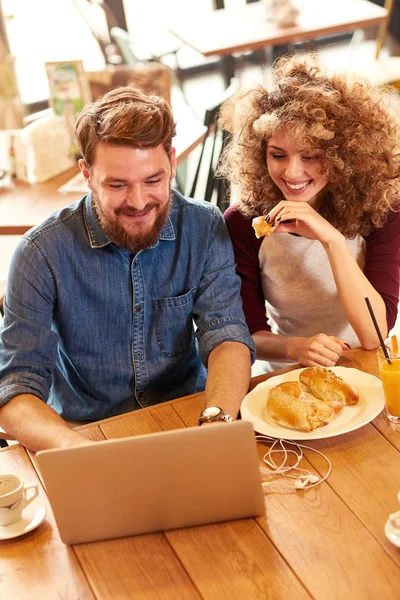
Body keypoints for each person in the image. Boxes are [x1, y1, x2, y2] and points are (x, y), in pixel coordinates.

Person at [0, 87, 254, 452]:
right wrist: (82, 453)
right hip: (82, 431)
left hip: (187, 415)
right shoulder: (39, 254)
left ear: (171, 160)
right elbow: (16, 390)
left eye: (153, 180)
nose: (138, 202)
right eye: (117, 185)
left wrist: (218, 422)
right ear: (86, 174)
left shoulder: (203, 227)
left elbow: (227, 334)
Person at [219, 54, 400, 372]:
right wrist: (295, 347)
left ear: (344, 154)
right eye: (278, 154)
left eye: (311, 156)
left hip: (369, 364)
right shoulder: (243, 223)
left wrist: (331, 240)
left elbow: (374, 334)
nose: (292, 172)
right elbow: (245, 334)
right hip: (289, 369)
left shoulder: (382, 208)